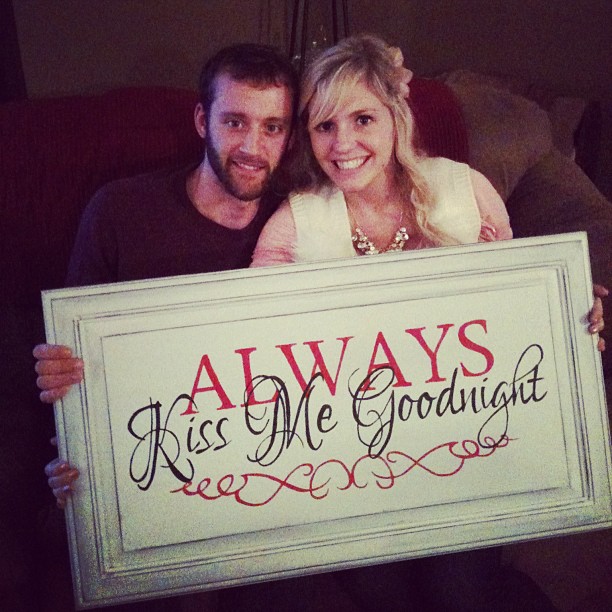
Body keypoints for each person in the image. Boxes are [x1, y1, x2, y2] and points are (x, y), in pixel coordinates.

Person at [36, 35, 606, 611]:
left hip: (453, 445)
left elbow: (516, 317)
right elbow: (82, 354)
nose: (254, 146)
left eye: (274, 127)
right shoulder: (242, 219)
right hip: (304, 462)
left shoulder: (446, 192)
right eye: (235, 122)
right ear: (203, 120)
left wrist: (566, 312)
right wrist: (77, 428)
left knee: (460, 590)